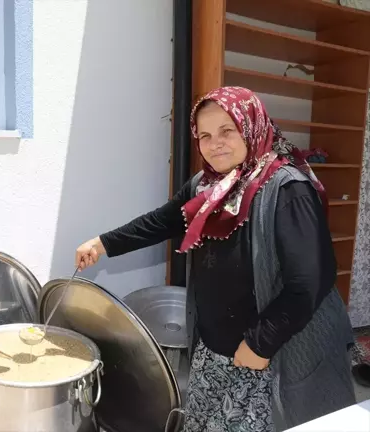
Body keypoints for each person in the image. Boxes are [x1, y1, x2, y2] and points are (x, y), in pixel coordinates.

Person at [76, 86, 356, 431]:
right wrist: (102, 243)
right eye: (205, 135)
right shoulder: (206, 186)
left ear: (251, 127)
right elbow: (163, 220)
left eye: (227, 130)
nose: (215, 143)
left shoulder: (287, 189)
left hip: (268, 355)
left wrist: (259, 344)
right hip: (214, 349)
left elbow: (310, 281)